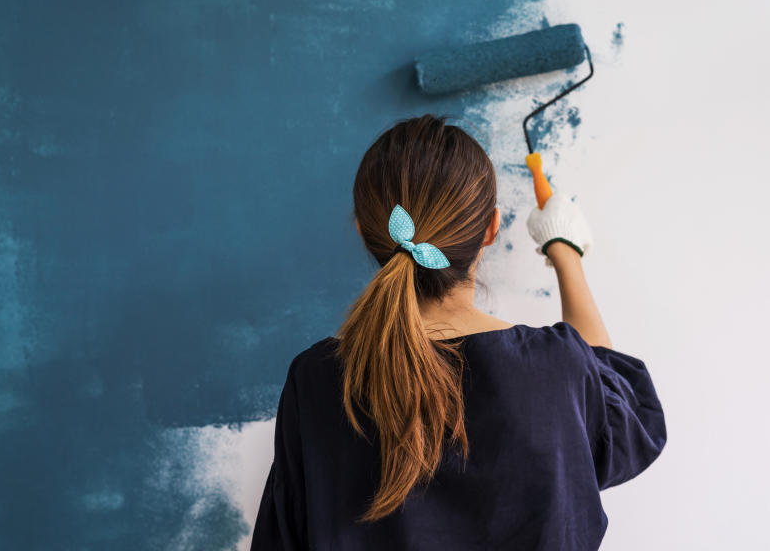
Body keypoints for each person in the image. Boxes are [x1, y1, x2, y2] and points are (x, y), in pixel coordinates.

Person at [250, 113, 666, 550]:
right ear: (491, 228)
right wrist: (566, 251)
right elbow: (623, 417)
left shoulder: (316, 380)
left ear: (363, 231)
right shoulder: (553, 369)